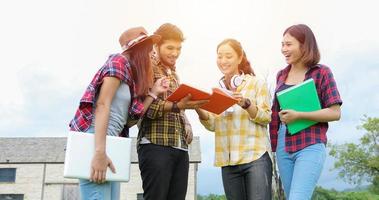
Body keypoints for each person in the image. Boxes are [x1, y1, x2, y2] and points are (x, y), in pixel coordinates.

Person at [69, 26, 169, 200]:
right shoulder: (119, 61)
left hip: (113, 141)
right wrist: (99, 152)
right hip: (97, 139)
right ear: (139, 49)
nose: (151, 54)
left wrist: (153, 93)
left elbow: (129, 121)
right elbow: (102, 104)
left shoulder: (131, 73)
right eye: (148, 50)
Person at [269, 24, 342, 199]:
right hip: (283, 144)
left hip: (310, 143)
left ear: (304, 45)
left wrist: (300, 115)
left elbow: (335, 112)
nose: (283, 49)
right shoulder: (281, 75)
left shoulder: (322, 72)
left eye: (288, 44)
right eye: (282, 45)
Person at [137, 23, 208, 200]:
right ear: (156, 46)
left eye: (178, 48)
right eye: (170, 47)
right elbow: (144, 110)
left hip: (180, 147)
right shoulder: (147, 68)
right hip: (156, 145)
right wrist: (178, 106)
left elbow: (178, 106)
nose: (175, 53)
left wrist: (186, 123)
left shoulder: (174, 75)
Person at [195, 38, 273, 200]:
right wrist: (197, 107)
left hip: (255, 158)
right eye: (220, 56)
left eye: (228, 56)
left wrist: (246, 104)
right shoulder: (216, 91)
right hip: (228, 162)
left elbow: (266, 117)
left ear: (239, 58)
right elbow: (212, 125)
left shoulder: (256, 83)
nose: (223, 61)